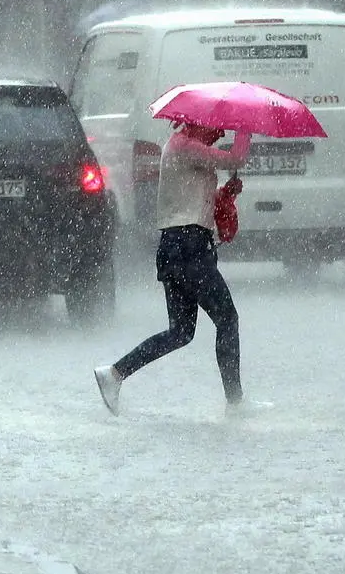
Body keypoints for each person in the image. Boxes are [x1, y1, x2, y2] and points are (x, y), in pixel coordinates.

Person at [94, 121, 265, 417]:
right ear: (197, 123)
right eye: (217, 129)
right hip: (189, 248)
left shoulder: (184, 149)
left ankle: (114, 374)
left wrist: (226, 193)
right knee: (227, 319)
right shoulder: (184, 147)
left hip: (176, 247)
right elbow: (235, 159)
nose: (219, 134)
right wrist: (245, 128)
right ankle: (235, 403)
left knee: (181, 332)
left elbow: (194, 199)